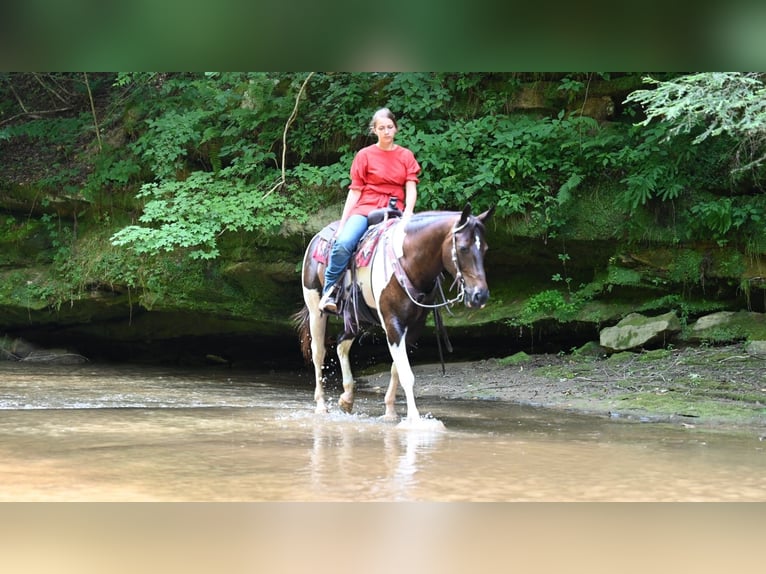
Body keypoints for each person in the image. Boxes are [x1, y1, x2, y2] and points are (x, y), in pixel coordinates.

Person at [319, 107, 421, 313]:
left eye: (390, 127)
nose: (386, 131)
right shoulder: (364, 155)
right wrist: (343, 221)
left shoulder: (406, 155)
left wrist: (409, 213)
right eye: (381, 128)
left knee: (419, 246)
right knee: (343, 243)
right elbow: (355, 191)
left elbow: (411, 187)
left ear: (396, 129)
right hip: (366, 208)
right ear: (374, 130)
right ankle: (330, 291)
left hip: (394, 212)